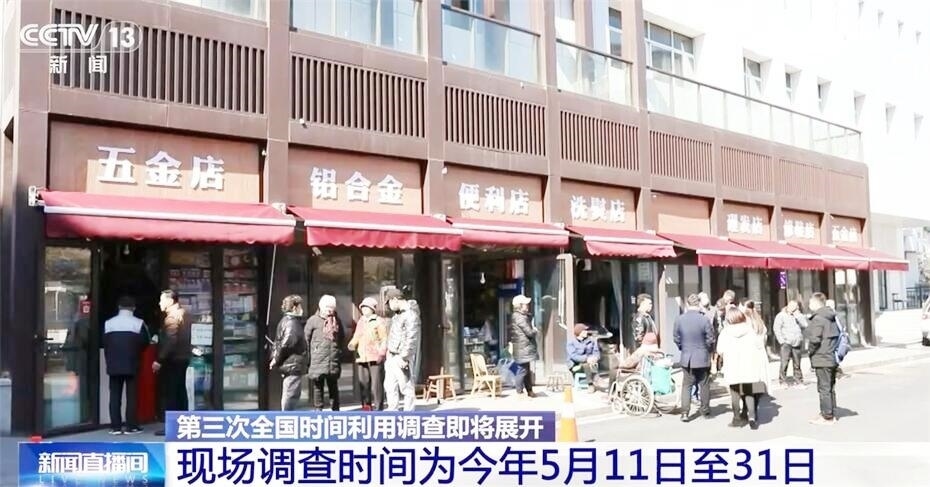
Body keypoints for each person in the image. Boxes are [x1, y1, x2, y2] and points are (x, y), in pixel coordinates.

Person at [717, 307, 771, 430]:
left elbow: (720, 350)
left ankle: (737, 418)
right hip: (748, 364)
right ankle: (752, 417)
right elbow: (759, 345)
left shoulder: (725, 332)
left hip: (732, 365)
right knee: (749, 391)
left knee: (735, 392)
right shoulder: (750, 330)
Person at [103, 296, 149, 435]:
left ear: (119, 307)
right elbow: (145, 342)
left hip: (113, 364)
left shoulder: (108, 323)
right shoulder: (138, 323)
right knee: (132, 396)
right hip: (132, 363)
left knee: (114, 395)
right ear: (133, 308)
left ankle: (115, 427)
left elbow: (104, 343)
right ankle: (131, 426)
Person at [153, 289, 192, 436]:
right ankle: (184, 424)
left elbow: (170, 340)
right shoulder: (184, 313)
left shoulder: (172, 317)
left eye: (162, 300)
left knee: (171, 393)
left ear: (170, 301)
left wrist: (159, 359)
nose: (159, 303)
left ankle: (172, 427)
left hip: (173, 359)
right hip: (183, 357)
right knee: (180, 391)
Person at [674, 294, 716, 422]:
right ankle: (705, 410)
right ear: (698, 304)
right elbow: (711, 338)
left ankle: (685, 413)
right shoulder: (704, 320)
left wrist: (683, 348)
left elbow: (676, 338)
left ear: (687, 304)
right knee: (704, 384)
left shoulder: (680, 319)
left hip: (687, 356)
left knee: (687, 385)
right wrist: (706, 349)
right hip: (702, 355)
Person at [304, 295, 344, 411]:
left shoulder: (337, 320)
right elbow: (306, 339)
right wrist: (308, 358)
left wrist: (338, 351)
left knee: (333, 387)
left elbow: (341, 337)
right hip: (318, 359)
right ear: (321, 307)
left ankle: (335, 410)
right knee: (318, 386)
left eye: (332, 308)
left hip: (332, 359)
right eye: (327, 307)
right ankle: (318, 409)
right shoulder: (313, 320)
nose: (329, 310)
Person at [806, 292, 840, 425]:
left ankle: (827, 416)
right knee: (829, 387)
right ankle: (829, 411)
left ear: (816, 303)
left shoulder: (819, 318)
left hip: (822, 356)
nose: (809, 305)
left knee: (824, 388)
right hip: (831, 355)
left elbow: (815, 339)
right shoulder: (831, 317)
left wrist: (810, 351)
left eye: (810, 302)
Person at [348, 297, 388, 411]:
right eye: (363, 307)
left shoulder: (379, 321)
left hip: (375, 357)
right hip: (362, 356)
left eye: (367, 307)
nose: (364, 309)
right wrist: (352, 344)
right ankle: (366, 407)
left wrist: (382, 353)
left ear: (372, 309)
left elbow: (384, 338)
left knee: (376, 385)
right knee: (364, 384)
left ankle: (379, 408)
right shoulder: (361, 321)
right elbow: (357, 335)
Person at [384, 288, 421, 411]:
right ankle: (392, 410)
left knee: (406, 386)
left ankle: (409, 413)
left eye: (389, 302)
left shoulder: (410, 314)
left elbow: (412, 338)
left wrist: (404, 357)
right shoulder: (398, 315)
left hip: (402, 356)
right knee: (390, 386)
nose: (389, 306)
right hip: (392, 355)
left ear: (395, 300)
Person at [270, 295, 308, 411]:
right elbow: (286, 344)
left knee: (291, 393)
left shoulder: (286, 321)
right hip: (292, 364)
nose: (301, 309)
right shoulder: (291, 323)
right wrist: (276, 359)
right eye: (300, 306)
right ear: (294, 307)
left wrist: (276, 359)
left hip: (290, 363)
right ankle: (287, 417)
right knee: (291, 395)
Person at [510, 294, 539, 398]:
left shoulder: (521, 316)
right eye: (525, 304)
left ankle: (529, 391)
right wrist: (534, 330)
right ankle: (519, 392)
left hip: (524, 348)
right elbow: (529, 332)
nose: (527, 306)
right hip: (523, 348)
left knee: (526, 371)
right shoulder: (519, 317)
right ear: (520, 305)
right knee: (522, 371)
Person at [773, 300, 807, 385]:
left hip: (797, 342)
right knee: (784, 362)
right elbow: (776, 328)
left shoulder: (798, 315)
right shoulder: (781, 315)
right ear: (788, 306)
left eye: (795, 307)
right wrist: (781, 340)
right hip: (786, 342)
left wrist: (798, 316)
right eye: (792, 306)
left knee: (797, 363)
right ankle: (782, 380)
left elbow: (805, 325)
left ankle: (798, 380)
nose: (793, 308)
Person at [566, 323, 600, 393]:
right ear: (579, 332)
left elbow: (596, 352)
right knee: (586, 364)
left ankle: (597, 379)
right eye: (584, 331)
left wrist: (595, 358)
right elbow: (574, 356)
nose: (586, 332)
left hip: (590, 362)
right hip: (576, 364)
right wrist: (586, 359)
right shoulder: (571, 342)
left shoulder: (591, 341)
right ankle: (591, 384)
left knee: (592, 364)